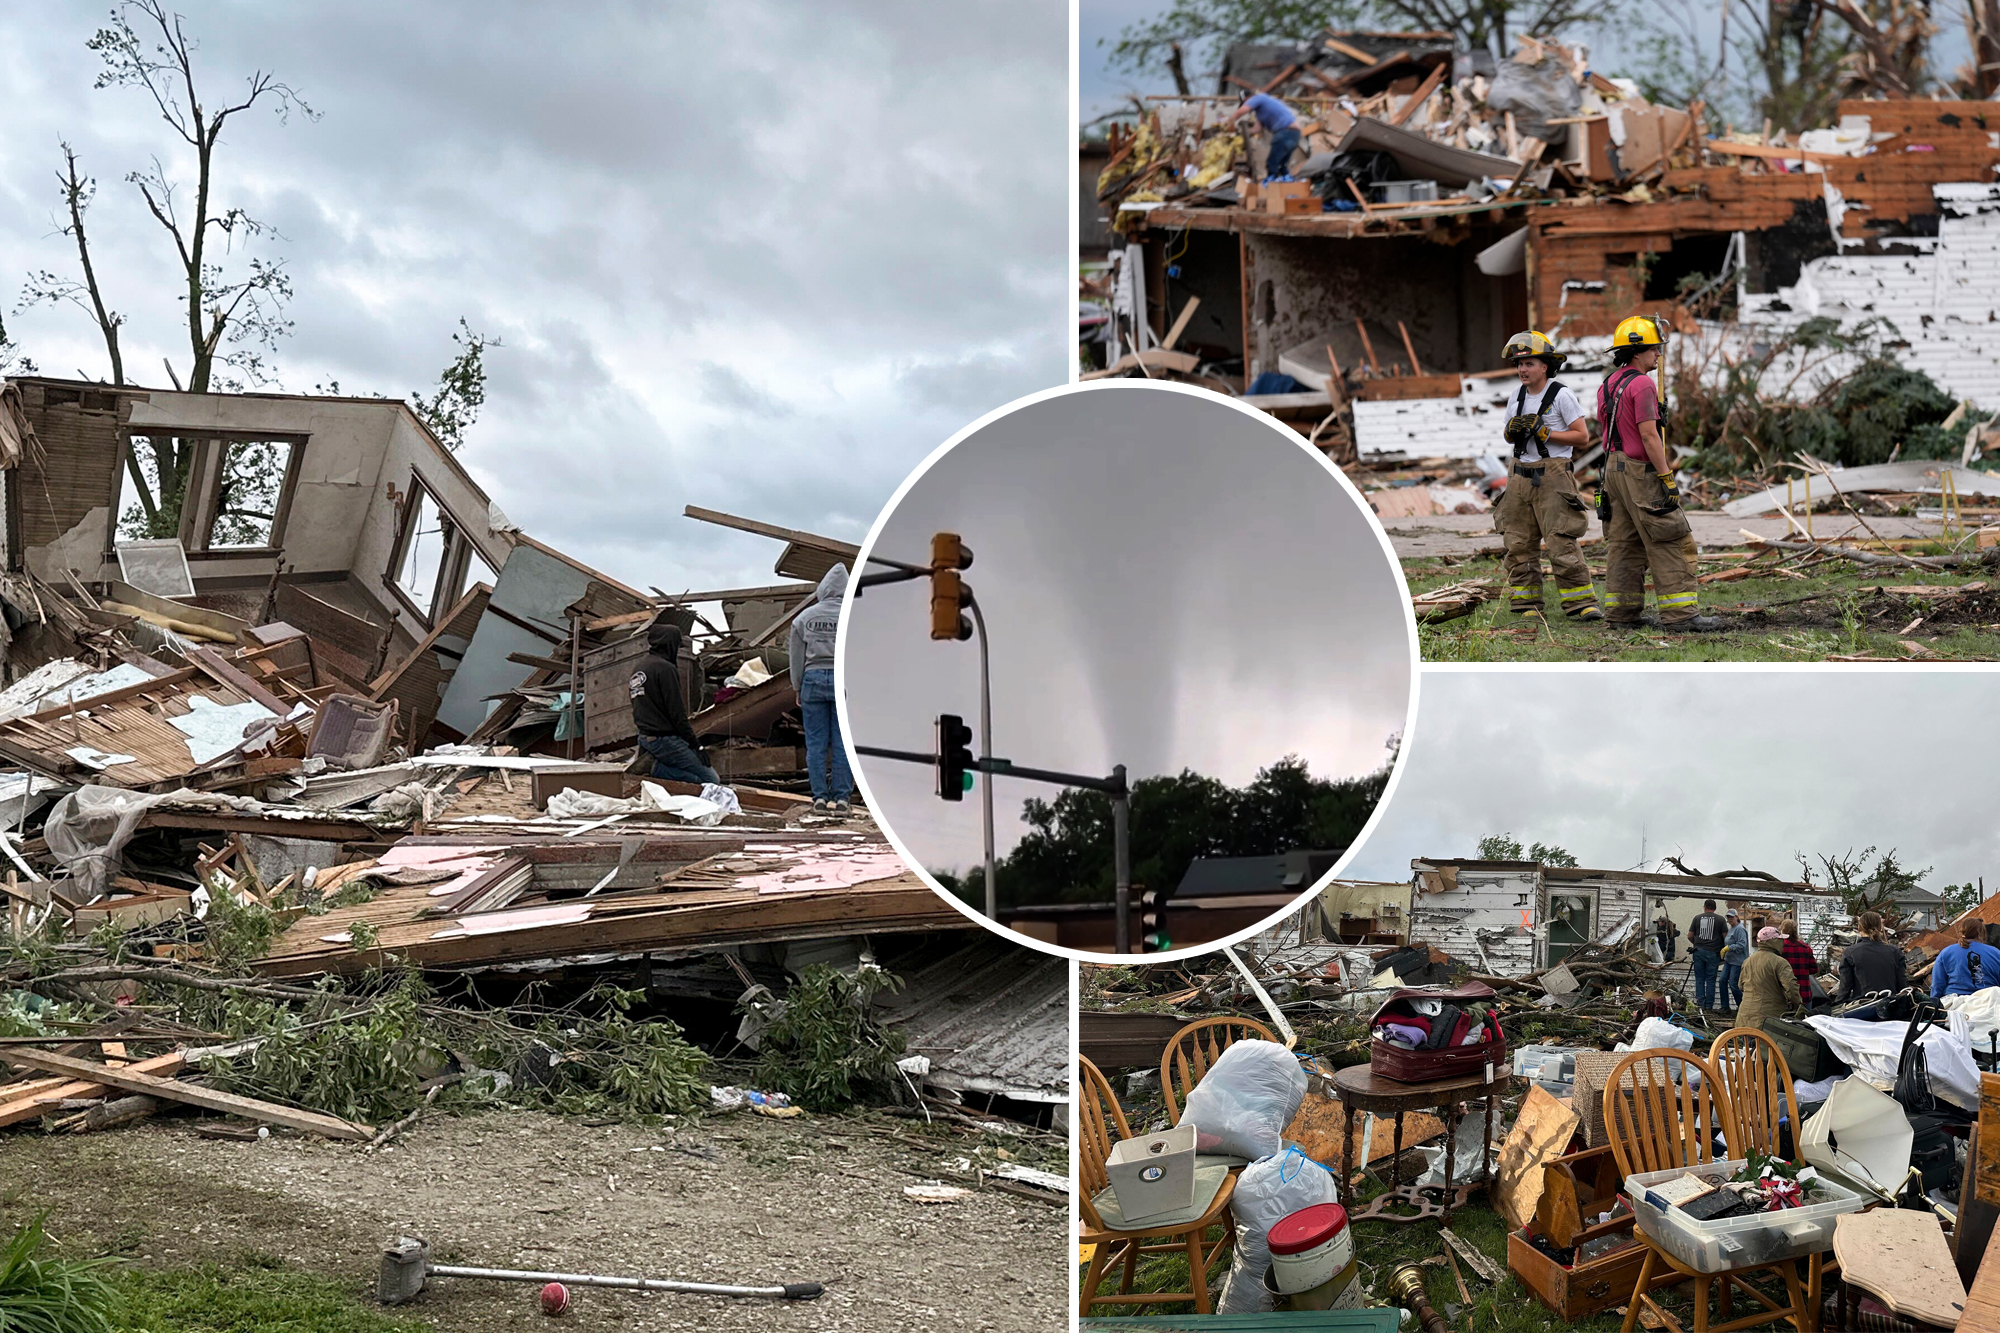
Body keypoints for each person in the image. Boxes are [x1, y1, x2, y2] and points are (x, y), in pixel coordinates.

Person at [1595, 316, 1720, 631]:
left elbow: (1605, 430)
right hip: (1640, 472)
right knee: (1669, 536)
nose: (1658, 356)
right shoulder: (1644, 384)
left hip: (1612, 469)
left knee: (1624, 542)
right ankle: (1682, 616)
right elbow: (1650, 437)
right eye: (1654, 350)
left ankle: (1621, 615)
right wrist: (1666, 479)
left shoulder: (1608, 384)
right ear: (1638, 352)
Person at [1492, 331, 1603, 620]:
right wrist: (1511, 431)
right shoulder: (1516, 396)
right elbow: (1507, 436)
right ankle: (1526, 604)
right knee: (1518, 543)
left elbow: (1582, 436)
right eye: (1519, 364)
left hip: (1553, 476)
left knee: (1561, 541)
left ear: (1545, 366)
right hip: (1518, 477)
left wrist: (1547, 432)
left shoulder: (1562, 395)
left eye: (1528, 363)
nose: (1522, 370)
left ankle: (1581, 604)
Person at [787, 564, 852, 813]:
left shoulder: (804, 618)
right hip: (842, 680)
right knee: (842, 743)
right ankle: (843, 799)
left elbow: (796, 657)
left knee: (815, 743)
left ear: (823, 588)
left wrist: (797, 686)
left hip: (812, 680)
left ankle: (819, 799)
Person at [629, 618, 717, 784]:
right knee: (710, 780)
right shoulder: (665, 669)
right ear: (669, 644)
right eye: (676, 645)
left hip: (644, 737)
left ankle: (658, 769)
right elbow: (677, 713)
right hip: (664, 739)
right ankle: (656, 769)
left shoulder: (639, 668)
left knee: (694, 776)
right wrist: (696, 746)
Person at [1736, 927, 1803, 1029]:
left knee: (1748, 1045)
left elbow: (1741, 986)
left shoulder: (1748, 961)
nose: (1783, 942)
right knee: (1767, 1045)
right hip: (1768, 1019)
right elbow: (1791, 987)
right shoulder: (1780, 962)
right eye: (1780, 939)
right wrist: (1797, 1004)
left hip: (1745, 1017)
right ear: (1774, 941)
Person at [1227, 91, 1301, 181]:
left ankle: (1272, 188)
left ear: (1247, 98)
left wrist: (1227, 122)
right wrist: (1241, 133)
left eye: (1244, 103)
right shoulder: (1261, 112)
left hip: (1285, 133)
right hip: (1294, 134)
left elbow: (1241, 111)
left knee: (1272, 164)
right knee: (1282, 165)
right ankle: (1288, 188)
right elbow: (1256, 129)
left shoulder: (1258, 98)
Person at [1838, 911, 1907, 999]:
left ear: (1859, 928)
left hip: (1862, 1007)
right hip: (1890, 1005)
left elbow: (1845, 987)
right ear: (1880, 928)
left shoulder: (1851, 952)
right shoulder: (1895, 951)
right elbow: (1901, 985)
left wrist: (1838, 1004)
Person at [1930, 918, 2000, 998]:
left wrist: (1934, 1002)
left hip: (1955, 1003)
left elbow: (1937, 984)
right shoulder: (1995, 953)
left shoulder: (1946, 952)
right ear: (1981, 932)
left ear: (1961, 932)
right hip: (1988, 1002)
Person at [1685, 898, 1729, 1011]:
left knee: (1699, 978)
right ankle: (1709, 1006)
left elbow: (1689, 935)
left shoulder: (1697, 918)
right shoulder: (1720, 920)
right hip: (1713, 953)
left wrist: (1697, 944)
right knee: (1711, 979)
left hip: (1698, 952)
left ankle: (1700, 1004)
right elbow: (1726, 937)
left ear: (1705, 907)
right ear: (1715, 908)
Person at [1779, 917, 1819, 999]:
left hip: (1784, 995)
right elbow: (1814, 969)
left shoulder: (1779, 948)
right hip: (1804, 993)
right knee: (1804, 1012)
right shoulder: (1805, 948)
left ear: (1782, 930)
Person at [1719, 908, 1749, 1012]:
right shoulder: (1731, 928)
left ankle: (1742, 1007)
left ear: (1737, 917)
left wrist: (1729, 948)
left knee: (1733, 984)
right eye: (1728, 917)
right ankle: (1725, 1007)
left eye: (1732, 917)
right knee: (1722, 980)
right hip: (1729, 961)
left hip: (1737, 962)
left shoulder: (1740, 929)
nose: (1730, 919)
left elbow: (1741, 945)